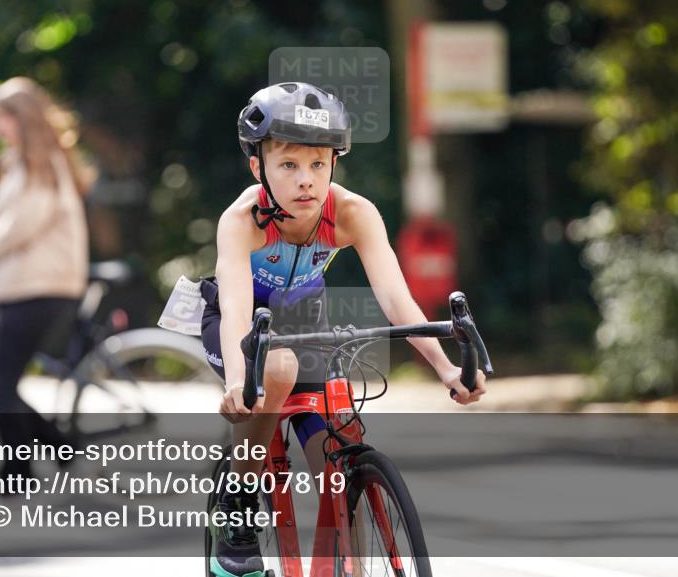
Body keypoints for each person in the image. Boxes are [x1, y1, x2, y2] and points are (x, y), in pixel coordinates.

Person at [202, 82, 488, 577]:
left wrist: (445, 369)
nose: (306, 180)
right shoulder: (242, 221)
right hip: (240, 322)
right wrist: (237, 380)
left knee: (335, 462)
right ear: (258, 168)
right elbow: (235, 310)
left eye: (318, 164)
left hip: (304, 318)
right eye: (288, 165)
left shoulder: (353, 213)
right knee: (277, 368)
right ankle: (239, 504)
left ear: (334, 164)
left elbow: (397, 301)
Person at [0, 76, 92, 480]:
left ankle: (22, 467)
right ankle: (46, 453)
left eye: (1, 117)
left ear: (22, 117)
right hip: (29, 286)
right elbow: (12, 224)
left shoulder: (42, 162)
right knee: (0, 380)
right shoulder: (25, 161)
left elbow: (22, 224)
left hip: (41, 287)